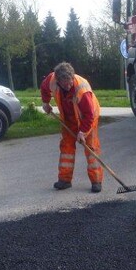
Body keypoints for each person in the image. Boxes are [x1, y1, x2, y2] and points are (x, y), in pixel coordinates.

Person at [40, 62, 103, 193]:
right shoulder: (51, 80)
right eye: (65, 84)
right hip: (68, 119)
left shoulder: (82, 89)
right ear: (58, 80)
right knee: (66, 147)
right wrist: (45, 102)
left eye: (70, 82)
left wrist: (83, 132)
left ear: (72, 77)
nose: (68, 86)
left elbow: (88, 115)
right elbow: (44, 88)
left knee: (91, 148)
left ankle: (96, 181)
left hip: (88, 119)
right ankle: (65, 180)